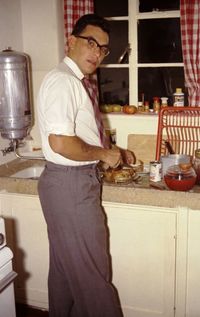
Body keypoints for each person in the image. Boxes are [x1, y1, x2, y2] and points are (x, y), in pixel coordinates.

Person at [37, 13, 135, 317]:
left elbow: (77, 136)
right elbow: (61, 143)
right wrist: (103, 155)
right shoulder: (63, 82)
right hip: (71, 186)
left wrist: (112, 151)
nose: (97, 53)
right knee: (95, 279)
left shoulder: (72, 82)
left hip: (67, 184)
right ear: (71, 41)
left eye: (103, 48)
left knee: (66, 274)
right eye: (91, 43)